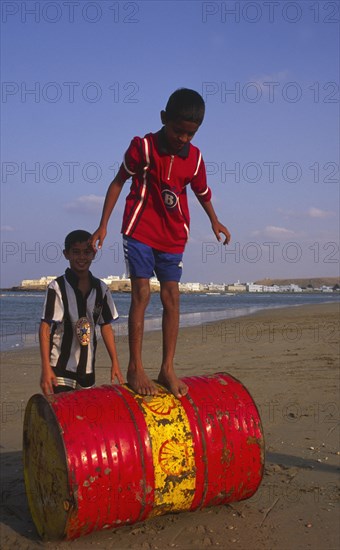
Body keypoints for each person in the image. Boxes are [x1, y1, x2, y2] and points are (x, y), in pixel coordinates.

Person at [90, 88, 231, 399]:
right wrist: (103, 225)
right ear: (164, 118)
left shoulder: (194, 159)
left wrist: (214, 220)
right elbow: (118, 182)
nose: (183, 138)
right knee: (141, 292)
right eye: (178, 130)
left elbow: (202, 192)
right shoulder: (143, 147)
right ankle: (135, 366)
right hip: (139, 229)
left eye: (190, 134)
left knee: (172, 298)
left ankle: (167, 367)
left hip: (173, 234)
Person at [39, 229, 123, 396]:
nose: (81, 257)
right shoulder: (57, 287)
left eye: (86, 252)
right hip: (60, 367)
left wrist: (115, 362)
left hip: (87, 369)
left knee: (82, 417)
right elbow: (45, 328)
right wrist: (46, 368)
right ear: (66, 254)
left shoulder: (101, 289)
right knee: (61, 416)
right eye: (75, 252)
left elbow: (106, 326)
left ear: (93, 254)